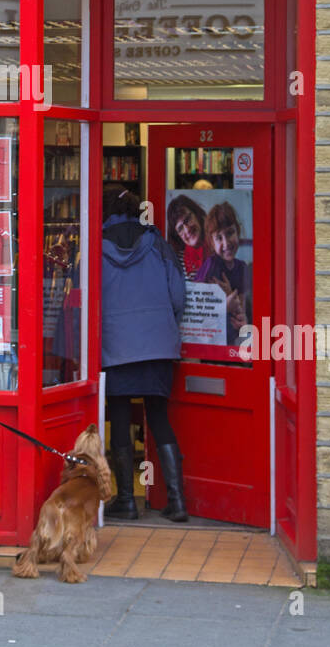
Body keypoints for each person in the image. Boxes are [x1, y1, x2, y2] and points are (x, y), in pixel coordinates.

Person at [101, 187, 189, 522]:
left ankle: (126, 501)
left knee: (120, 420)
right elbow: (178, 298)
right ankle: (177, 502)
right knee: (159, 417)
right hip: (158, 345)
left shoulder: (96, 248)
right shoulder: (160, 246)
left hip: (115, 346)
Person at [195, 201, 252, 346]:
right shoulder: (211, 266)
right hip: (214, 343)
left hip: (236, 340)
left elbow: (242, 308)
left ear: (237, 231)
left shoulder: (243, 267)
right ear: (211, 243)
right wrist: (225, 306)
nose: (226, 244)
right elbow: (197, 314)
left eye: (230, 233)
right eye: (219, 238)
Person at [166, 194, 207, 280]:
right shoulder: (175, 261)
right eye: (180, 228)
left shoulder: (219, 247)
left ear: (197, 215)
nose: (187, 229)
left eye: (188, 219)